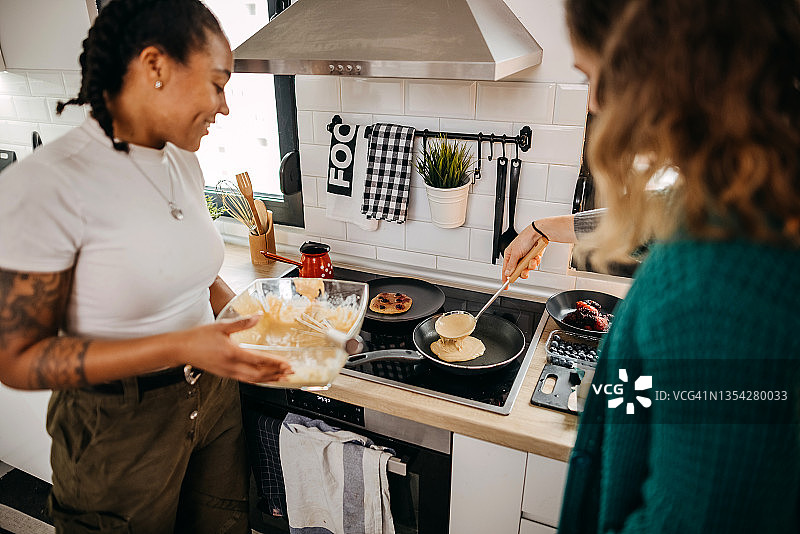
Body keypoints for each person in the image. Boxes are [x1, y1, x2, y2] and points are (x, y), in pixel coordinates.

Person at [508, 0, 800, 532]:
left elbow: (690, 519)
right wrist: (546, 227)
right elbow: (653, 218)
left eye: (594, 75)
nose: (595, 103)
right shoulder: (759, 198)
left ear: (656, 63)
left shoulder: (717, 279)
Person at [0, 1, 292, 532]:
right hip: (118, 428)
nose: (224, 108)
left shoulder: (182, 159)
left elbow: (198, 277)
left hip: (214, 400)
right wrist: (181, 346)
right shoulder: (48, 185)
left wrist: (269, 325)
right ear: (156, 67)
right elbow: (18, 360)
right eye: (217, 84)